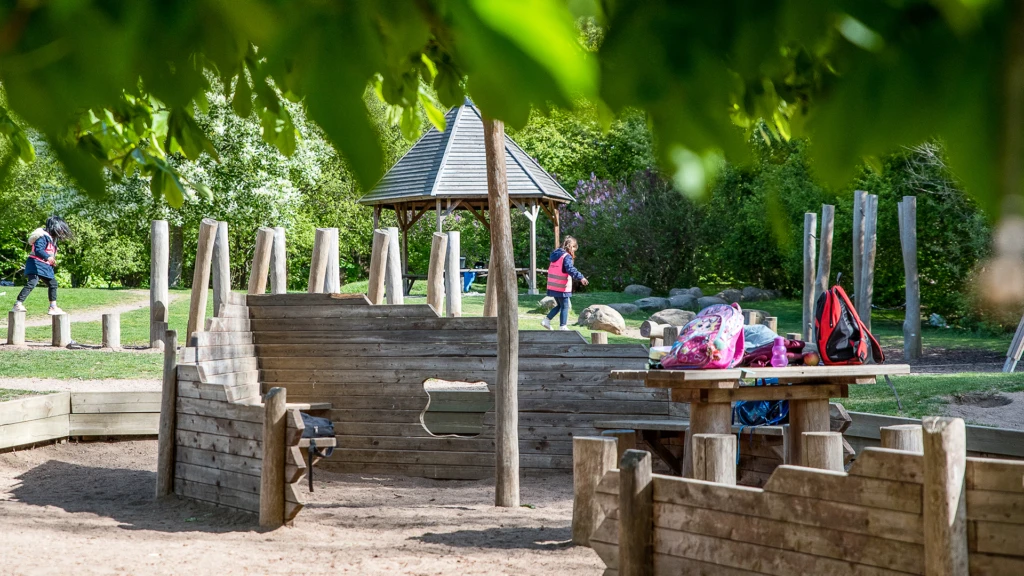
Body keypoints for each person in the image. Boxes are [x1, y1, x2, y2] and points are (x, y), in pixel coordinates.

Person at [11, 216, 73, 315]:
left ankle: (53, 307)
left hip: (45, 266)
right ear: (54, 227)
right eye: (60, 229)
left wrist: (51, 260)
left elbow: (49, 252)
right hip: (35, 264)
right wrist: (48, 257)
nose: (61, 232)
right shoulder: (43, 237)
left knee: (53, 284)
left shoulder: (52, 240)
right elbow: (38, 250)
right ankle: (18, 304)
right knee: (32, 283)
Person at [542, 236, 588, 330]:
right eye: (574, 248)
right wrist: (581, 278)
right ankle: (563, 326)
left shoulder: (556, 255)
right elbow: (570, 269)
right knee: (565, 306)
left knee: (560, 305)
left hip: (553, 285)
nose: (574, 251)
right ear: (571, 247)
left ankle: (546, 320)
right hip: (561, 286)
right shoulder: (566, 256)